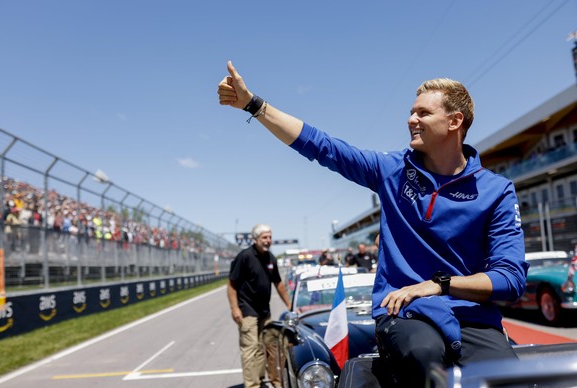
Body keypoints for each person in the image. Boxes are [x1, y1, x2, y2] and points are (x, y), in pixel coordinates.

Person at [218, 62, 529, 386]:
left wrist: (440, 284)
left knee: (509, 379)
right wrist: (254, 104)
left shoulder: (497, 190)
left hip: (473, 319)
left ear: (455, 121)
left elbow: (510, 279)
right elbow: (321, 146)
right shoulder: (391, 170)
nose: (411, 120)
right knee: (425, 361)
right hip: (407, 313)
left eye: (423, 113)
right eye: (411, 112)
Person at [227, 223, 291, 388]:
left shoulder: (271, 258)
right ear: (255, 239)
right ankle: (252, 385)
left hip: (264, 311)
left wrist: (290, 305)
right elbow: (231, 284)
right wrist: (235, 308)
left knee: (266, 347)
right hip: (247, 310)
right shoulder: (245, 256)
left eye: (270, 237)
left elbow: (278, 283)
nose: (268, 240)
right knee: (250, 349)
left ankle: (263, 380)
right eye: (264, 237)